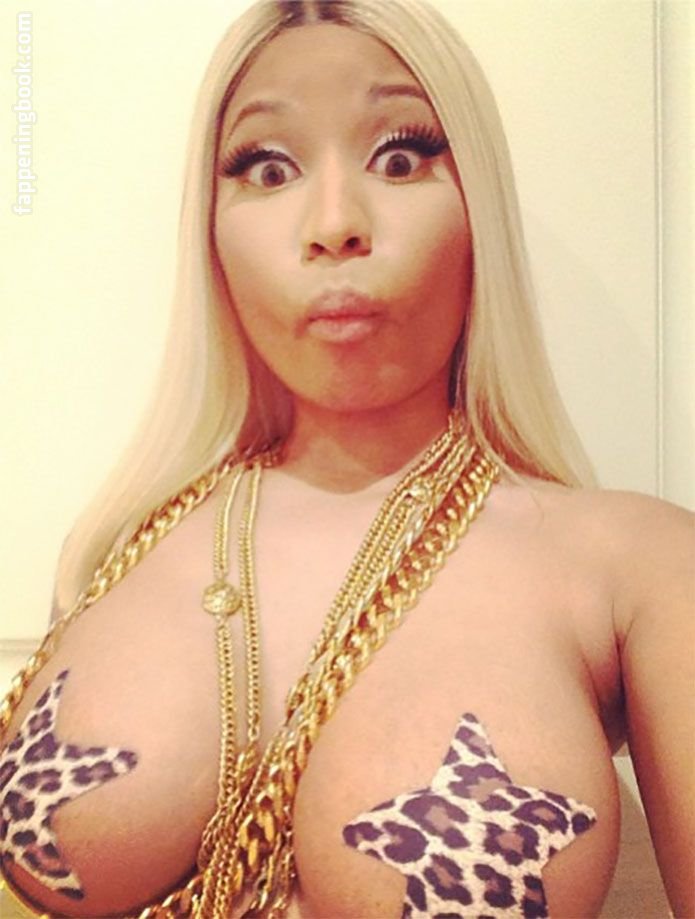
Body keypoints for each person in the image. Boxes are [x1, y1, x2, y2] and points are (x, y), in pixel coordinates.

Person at [0, 0, 692, 917]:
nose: (333, 223)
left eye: (400, 157)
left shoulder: (640, 568)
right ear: (210, 226)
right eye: (267, 166)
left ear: (478, 205)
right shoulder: (117, 543)